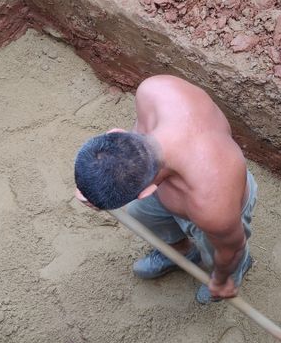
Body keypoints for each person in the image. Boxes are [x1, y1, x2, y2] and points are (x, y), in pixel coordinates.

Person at [73, 75, 256, 304]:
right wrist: (92, 190)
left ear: (146, 191)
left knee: (216, 256)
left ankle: (237, 272)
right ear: (115, 132)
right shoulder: (152, 91)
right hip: (169, 181)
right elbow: (123, 162)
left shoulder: (213, 205)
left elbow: (233, 248)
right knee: (139, 213)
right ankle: (181, 251)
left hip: (219, 208)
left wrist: (222, 280)